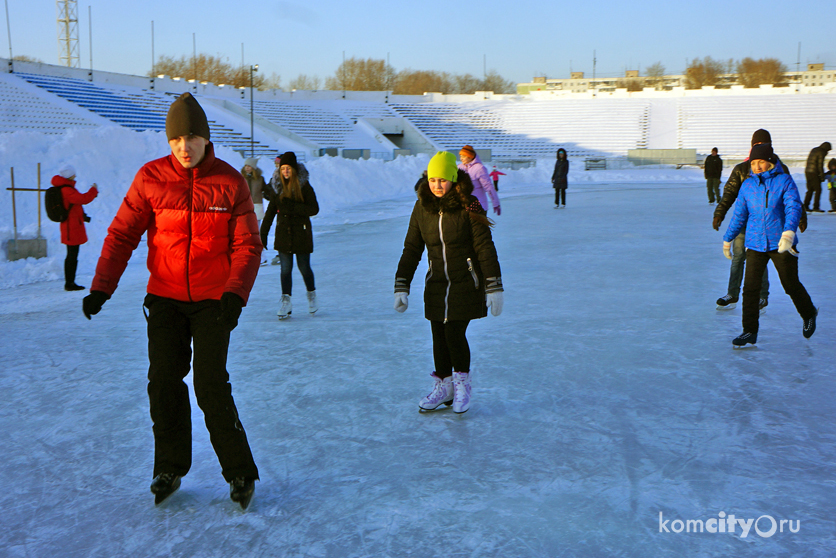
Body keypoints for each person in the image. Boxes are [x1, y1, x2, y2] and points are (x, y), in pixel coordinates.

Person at [81, 92, 262, 509]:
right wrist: (101, 286)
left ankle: (239, 471)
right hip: (164, 299)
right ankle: (170, 466)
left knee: (210, 384)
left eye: (192, 137)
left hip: (214, 302)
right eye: (176, 139)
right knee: (163, 383)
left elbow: (248, 246)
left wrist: (235, 294)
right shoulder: (150, 178)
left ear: (205, 138)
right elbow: (122, 234)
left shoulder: (230, 182)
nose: (184, 147)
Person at [394, 151, 503, 414]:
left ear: (453, 179)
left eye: (443, 179)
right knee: (438, 336)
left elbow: (485, 247)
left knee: (454, 334)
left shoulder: (470, 204)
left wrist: (493, 285)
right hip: (437, 283)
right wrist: (402, 284)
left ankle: (462, 383)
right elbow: (412, 248)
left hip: (466, 282)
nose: (437, 185)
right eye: (433, 180)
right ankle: (444, 386)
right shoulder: (422, 207)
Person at [722, 143, 817, 347]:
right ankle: (749, 331)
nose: (757, 166)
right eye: (754, 163)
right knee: (750, 289)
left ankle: (809, 313)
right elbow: (739, 214)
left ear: (770, 162)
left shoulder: (784, 181)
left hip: (781, 242)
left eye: (761, 162)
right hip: (755, 243)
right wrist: (727, 238)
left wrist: (789, 233)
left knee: (790, 284)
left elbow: (793, 207)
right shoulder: (747, 185)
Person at [712, 129, 805, 312]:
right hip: (745, 222)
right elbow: (729, 193)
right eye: (756, 144)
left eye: (763, 144)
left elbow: (792, 197)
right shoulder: (742, 169)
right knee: (738, 256)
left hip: (770, 223)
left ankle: (762, 296)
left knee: (759, 260)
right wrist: (719, 213)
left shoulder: (779, 168)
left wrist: (801, 217)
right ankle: (732, 294)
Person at [260, 151, 319, 319]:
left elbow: (314, 209)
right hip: (284, 234)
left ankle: (311, 295)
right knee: (285, 269)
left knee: (304, 268)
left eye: (288, 168)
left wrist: (293, 207)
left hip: (301, 232)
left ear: (294, 169)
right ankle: (286, 301)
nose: (285, 171)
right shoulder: (277, 188)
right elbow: (270, 213)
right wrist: (262, 234)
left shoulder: (304, 186)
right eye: (283, 168)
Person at [52, 164, 98, 291]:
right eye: (73, 174)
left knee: (72, 255)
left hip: (71, 226)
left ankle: (70, 282)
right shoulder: (67, 190)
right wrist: (93, 190)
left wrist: (83, 216)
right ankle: (69, 283)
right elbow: (83, 199)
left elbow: (75, 205)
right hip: (71, 228)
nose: (75, 175)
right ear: (69, 175)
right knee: (72, 256)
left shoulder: (66, 188)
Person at [241, 158, 273, 265]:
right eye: (246, 166)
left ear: (254, 168)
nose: (247, 168)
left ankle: (261, 256)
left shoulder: (260, 179)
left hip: (257, 207)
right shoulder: (241, 178)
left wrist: (273, 198)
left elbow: (266, 191)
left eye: (249, 166)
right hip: (245, 207)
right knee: (246, 233)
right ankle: (248, 255)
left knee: (257, 233)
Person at [458, 145, 501, 215]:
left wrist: (495, 203)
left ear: (470, 156)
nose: (461, 158)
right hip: (464, 206)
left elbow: (488, 187)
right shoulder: (459, 167)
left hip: (478, 206)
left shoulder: (479, 168)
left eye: (463, 156)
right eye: (460, 156)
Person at [803, 142, 831, 212]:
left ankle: (805, 206)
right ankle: (816, 207)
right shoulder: (821, 152)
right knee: (818, 190)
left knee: (810, 189)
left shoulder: (815, 149)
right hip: (814, 172)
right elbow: (820, 165)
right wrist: (821, 175)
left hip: (808, 171)